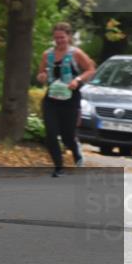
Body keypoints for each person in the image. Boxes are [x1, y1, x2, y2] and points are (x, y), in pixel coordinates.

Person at [36, 22, 95, 177]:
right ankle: (59, 167)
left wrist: (78, 80)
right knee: (51, 134)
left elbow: (90, 69)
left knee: (68, 135)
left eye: (62, 37)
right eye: (56, 38)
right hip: (51, 99)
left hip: (70, 99)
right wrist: (41, 77)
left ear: (68, 36)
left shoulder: (76, 53)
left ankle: (76, 152)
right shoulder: (46, 54)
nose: (59, 40)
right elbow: (41, 73)